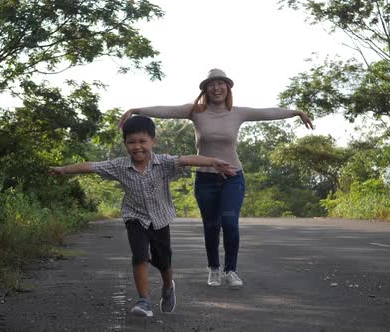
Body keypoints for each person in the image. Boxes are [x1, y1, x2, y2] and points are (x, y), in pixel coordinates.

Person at [118, 68, 314, 289]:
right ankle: (213, 268)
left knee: (229, 222)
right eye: (211, 84)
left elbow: (267, 112)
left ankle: (231, 270)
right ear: (205, 89)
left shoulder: (238, 113)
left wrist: (295, 112)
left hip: (233, 176)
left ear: (227, 87)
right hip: (206, 179)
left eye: (221, 83)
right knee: (211, 226)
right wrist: (136, 110)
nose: (216, 87)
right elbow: (166, 110)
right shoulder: (195, 111)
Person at [51, 116, 237, 317]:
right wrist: (64, 170)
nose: (137, 147)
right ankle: (144, 301)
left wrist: (213, 162)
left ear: (153, 142)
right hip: (135, 218)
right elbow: (91, 166)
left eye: (142, 141)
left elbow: (188, 159)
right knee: (139, 256)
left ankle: (168, 286)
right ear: (125, 144)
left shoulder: (164, 163)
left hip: (160, 220)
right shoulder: (119, 166)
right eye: (131, 142)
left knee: (163, 262)